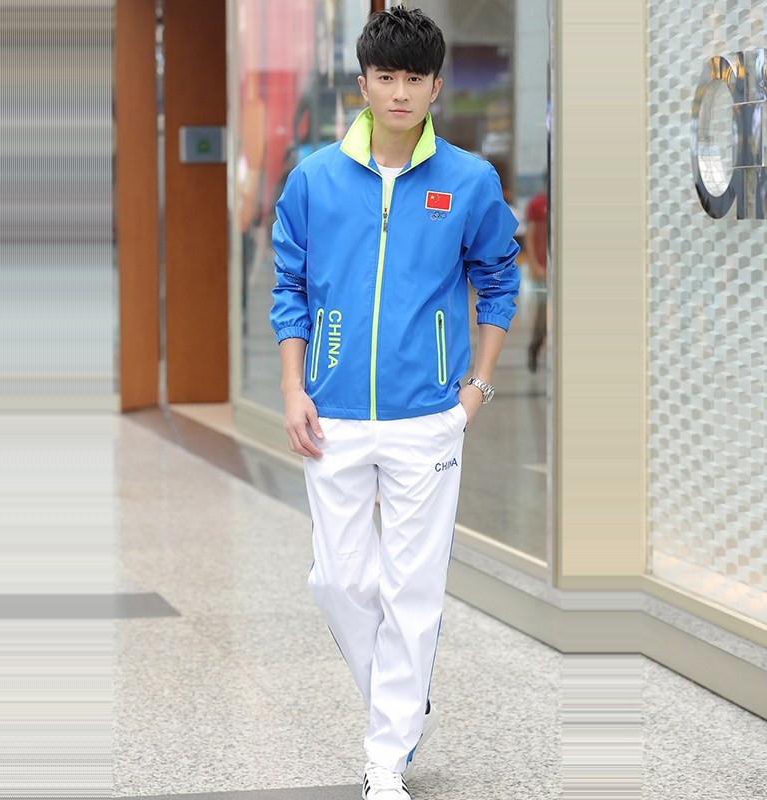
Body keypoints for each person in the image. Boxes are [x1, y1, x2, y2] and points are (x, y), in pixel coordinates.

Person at [269, 7, 520, 799]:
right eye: (387, 77)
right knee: (338, 580)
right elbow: (289, 289)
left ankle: (387, 759)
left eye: (415, 78)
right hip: (333, 413)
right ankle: (403, 700)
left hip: (427, 420)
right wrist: (293, 388)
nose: (401, 93)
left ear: (436, 87)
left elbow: (499, 280)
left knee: (413, 588)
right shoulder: (313, 179)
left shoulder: (469, 181)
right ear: (363, 85)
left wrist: (475, 389)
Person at [524, 187, 548, 372]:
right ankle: (535, 347)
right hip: (542, 271)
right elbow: (530, 237)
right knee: (543, 315)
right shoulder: (537, 204)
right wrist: (535, 265)